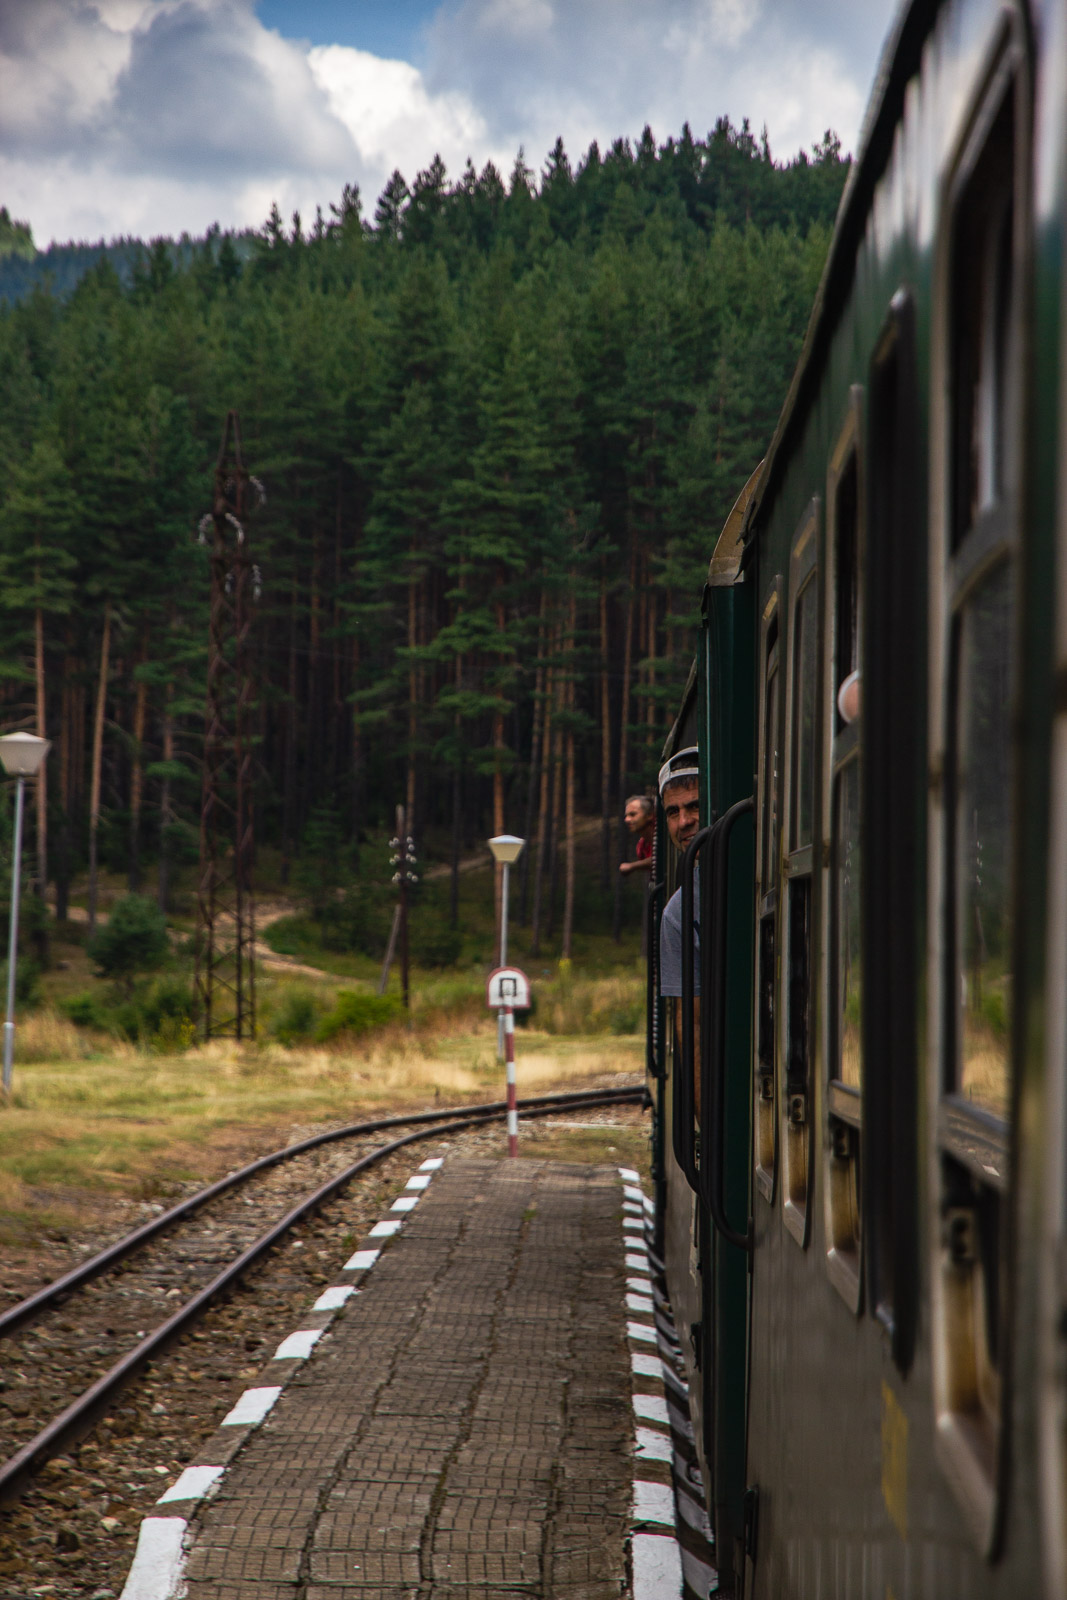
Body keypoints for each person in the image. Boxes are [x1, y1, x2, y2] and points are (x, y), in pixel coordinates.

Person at [619, 794, 655, 876]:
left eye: (633, 814)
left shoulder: (665, 837)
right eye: (626, 816)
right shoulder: (641, 846)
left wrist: (632, 866)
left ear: (649, 815)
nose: (626, 820)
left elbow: (660, 859)